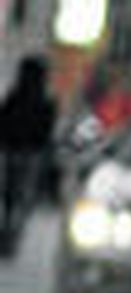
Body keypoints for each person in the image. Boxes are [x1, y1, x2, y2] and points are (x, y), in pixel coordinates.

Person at [0, 56, 58, 252]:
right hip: (32, 154)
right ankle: (13, 234)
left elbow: (4, 121)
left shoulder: (15, 96)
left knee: (10, 193)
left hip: (13, 151)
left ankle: (8, 230)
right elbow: (47, 132)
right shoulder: (46, 101)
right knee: (23, 195)